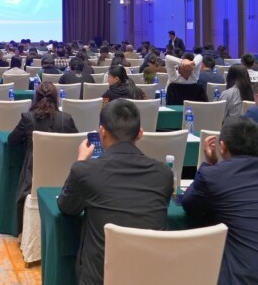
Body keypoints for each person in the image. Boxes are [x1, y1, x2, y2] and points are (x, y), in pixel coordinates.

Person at [57, 100, 173, 285]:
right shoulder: (164, 173)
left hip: (100, 279)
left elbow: (66, 207)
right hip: (150, 277)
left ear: (102, 132)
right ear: (140, 133)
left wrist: (80, 161)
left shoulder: (85, 171)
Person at [181, 117, 258, 285]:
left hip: (242, 278)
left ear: (222, 147)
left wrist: (210, 164)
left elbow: (189, 204)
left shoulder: (213, 174)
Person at [9, 82, 78, 225]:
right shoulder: (67, 119)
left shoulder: (28, 118)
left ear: (36, 97)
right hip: (64, 176)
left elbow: (12, 140)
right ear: (56, 98)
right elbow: (76, 144)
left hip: (33, 175)